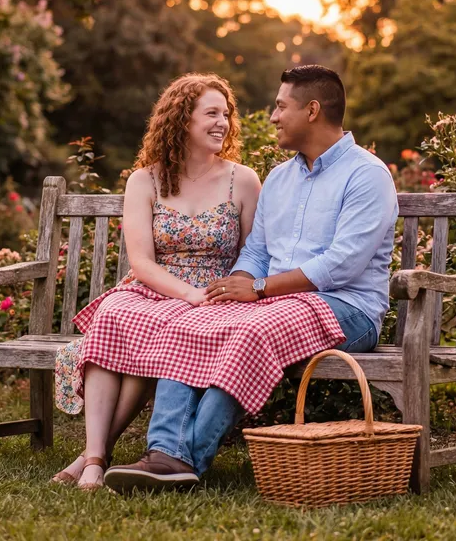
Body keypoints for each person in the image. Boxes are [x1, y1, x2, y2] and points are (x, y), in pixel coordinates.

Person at [104, 65, 399, 493]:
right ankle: (163, 453)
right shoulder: (280, 179)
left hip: (348, 309)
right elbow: (257, 252)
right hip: (281, 304)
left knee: (252, 332)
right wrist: (232, 288)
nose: (273, 116)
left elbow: (343, 265)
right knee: (191, 319)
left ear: (312, 110)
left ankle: (186, 458)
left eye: (281, 107)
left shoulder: (366, 175)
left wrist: (259, 289)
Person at [51, 73, 261, 490]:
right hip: (156, 288)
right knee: (112, 313)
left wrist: (221, 292)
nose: (223, 122)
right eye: (211, 113)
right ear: (182, 119)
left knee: (161, 329)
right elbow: (142, 262)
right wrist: (187, 293)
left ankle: (91, 457)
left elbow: (255, 254)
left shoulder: (244, 180)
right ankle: (95, 457)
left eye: (226, 114)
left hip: (216, 297)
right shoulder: (145, 180)